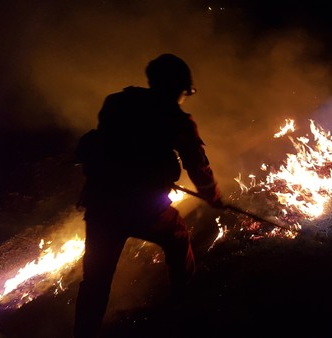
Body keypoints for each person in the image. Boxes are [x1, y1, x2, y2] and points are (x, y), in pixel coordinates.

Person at [73, 53, 223, 338]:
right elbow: (197, 164)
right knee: (178, 238)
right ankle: (184, 305)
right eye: (183, 92)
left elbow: (109, 143)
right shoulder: (178, 120)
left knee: (95, 280)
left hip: (101, 203)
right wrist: (212, 195)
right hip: (143, 208)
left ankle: (84, 333)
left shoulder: (116, 102)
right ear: (177, 88)